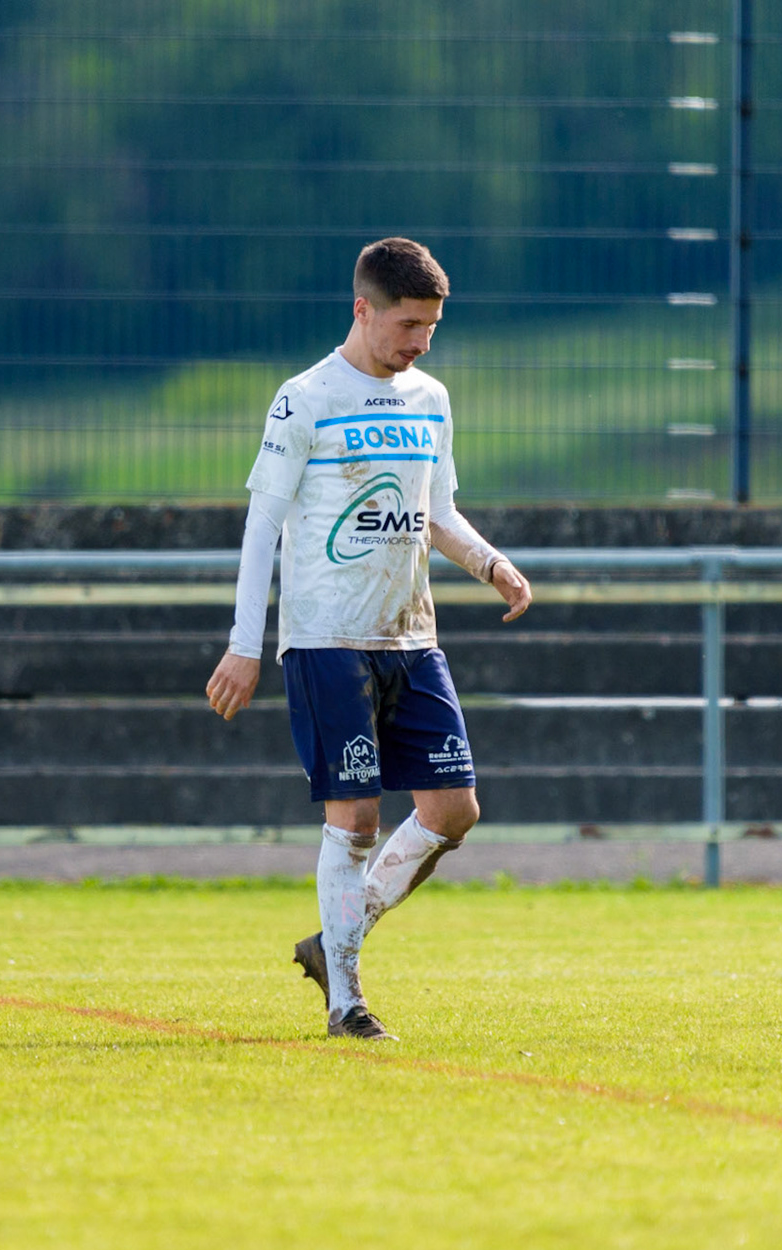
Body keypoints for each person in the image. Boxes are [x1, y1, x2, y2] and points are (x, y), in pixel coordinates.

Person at [204, 237, 532, 1040]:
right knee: (353, 821)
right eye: (408, 324)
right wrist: (247, 644)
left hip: (411, 638)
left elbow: (437, 510)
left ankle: (334, 935)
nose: (419, 342)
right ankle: (347, 999)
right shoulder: (305, 398)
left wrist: (490, 564)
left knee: (454, 810)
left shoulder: (431, 399)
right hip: (326, 642)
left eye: (430, 327)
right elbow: (262, 526)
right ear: (364, 310)